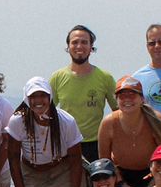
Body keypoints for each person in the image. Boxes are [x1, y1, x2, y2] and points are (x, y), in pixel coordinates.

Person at [50, 25, 117, 161]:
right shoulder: (57, 77)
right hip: (67, 144)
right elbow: (46, 111)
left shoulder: (105, 78)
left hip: (96, 145)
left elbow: (119, 112)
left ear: (91, 47)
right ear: (68, 47)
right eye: (75, 42)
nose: (79, 46)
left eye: (84, 42)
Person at [97, 75, 161, 187]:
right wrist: (121, 183)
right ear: (116, 100)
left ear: (142, 99)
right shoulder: (108, 123)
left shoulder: (157, 120)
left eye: (132, 95)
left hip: (153, 175)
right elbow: (105, 160)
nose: (127, 99)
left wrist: (154, 181)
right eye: (122, 96)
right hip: (120, 177)